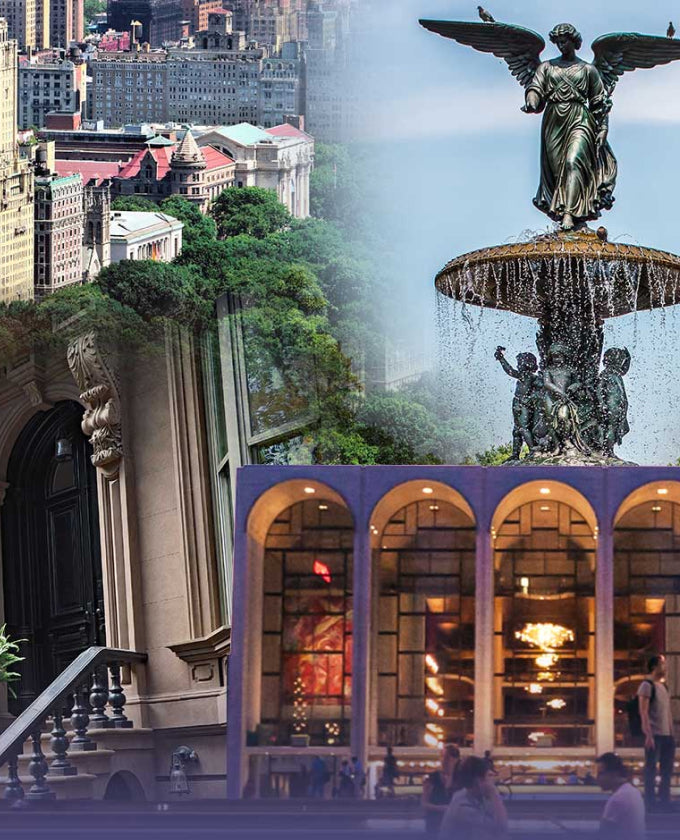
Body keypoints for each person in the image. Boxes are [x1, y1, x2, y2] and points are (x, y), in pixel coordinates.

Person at [638, 654, 675, 812]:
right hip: (655, 735)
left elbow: (667, 713)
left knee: (667, 770)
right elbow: (643, 712)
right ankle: (650, 802)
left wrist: (672, 734)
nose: (665, 669)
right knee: (651, 769)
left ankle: (664, 800)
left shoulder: (663, 687)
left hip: (667, 735)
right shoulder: (646, 685)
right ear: (654, 667)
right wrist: (648, 734)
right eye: (662, 665)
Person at [439, 755, 508, 840]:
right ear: (478, 780)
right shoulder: (462, 807)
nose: (492, 780)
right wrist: (494, 793)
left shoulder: (475, 797)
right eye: (488, 776)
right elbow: (501, 827)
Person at [596, 752, 645, 840]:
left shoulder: (618, 799)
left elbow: (603, 834)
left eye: (601, 773)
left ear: (614, 774)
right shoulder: (633, 791)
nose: (597, 778)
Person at [422, 744, 463, 836]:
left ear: (455, 759)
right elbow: (424, 803)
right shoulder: (432, 778)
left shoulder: (461, 779)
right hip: (435, 824)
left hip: (455, 826)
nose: (443, 761)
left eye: (447, 758)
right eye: (442, 757)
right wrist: (442, 808)